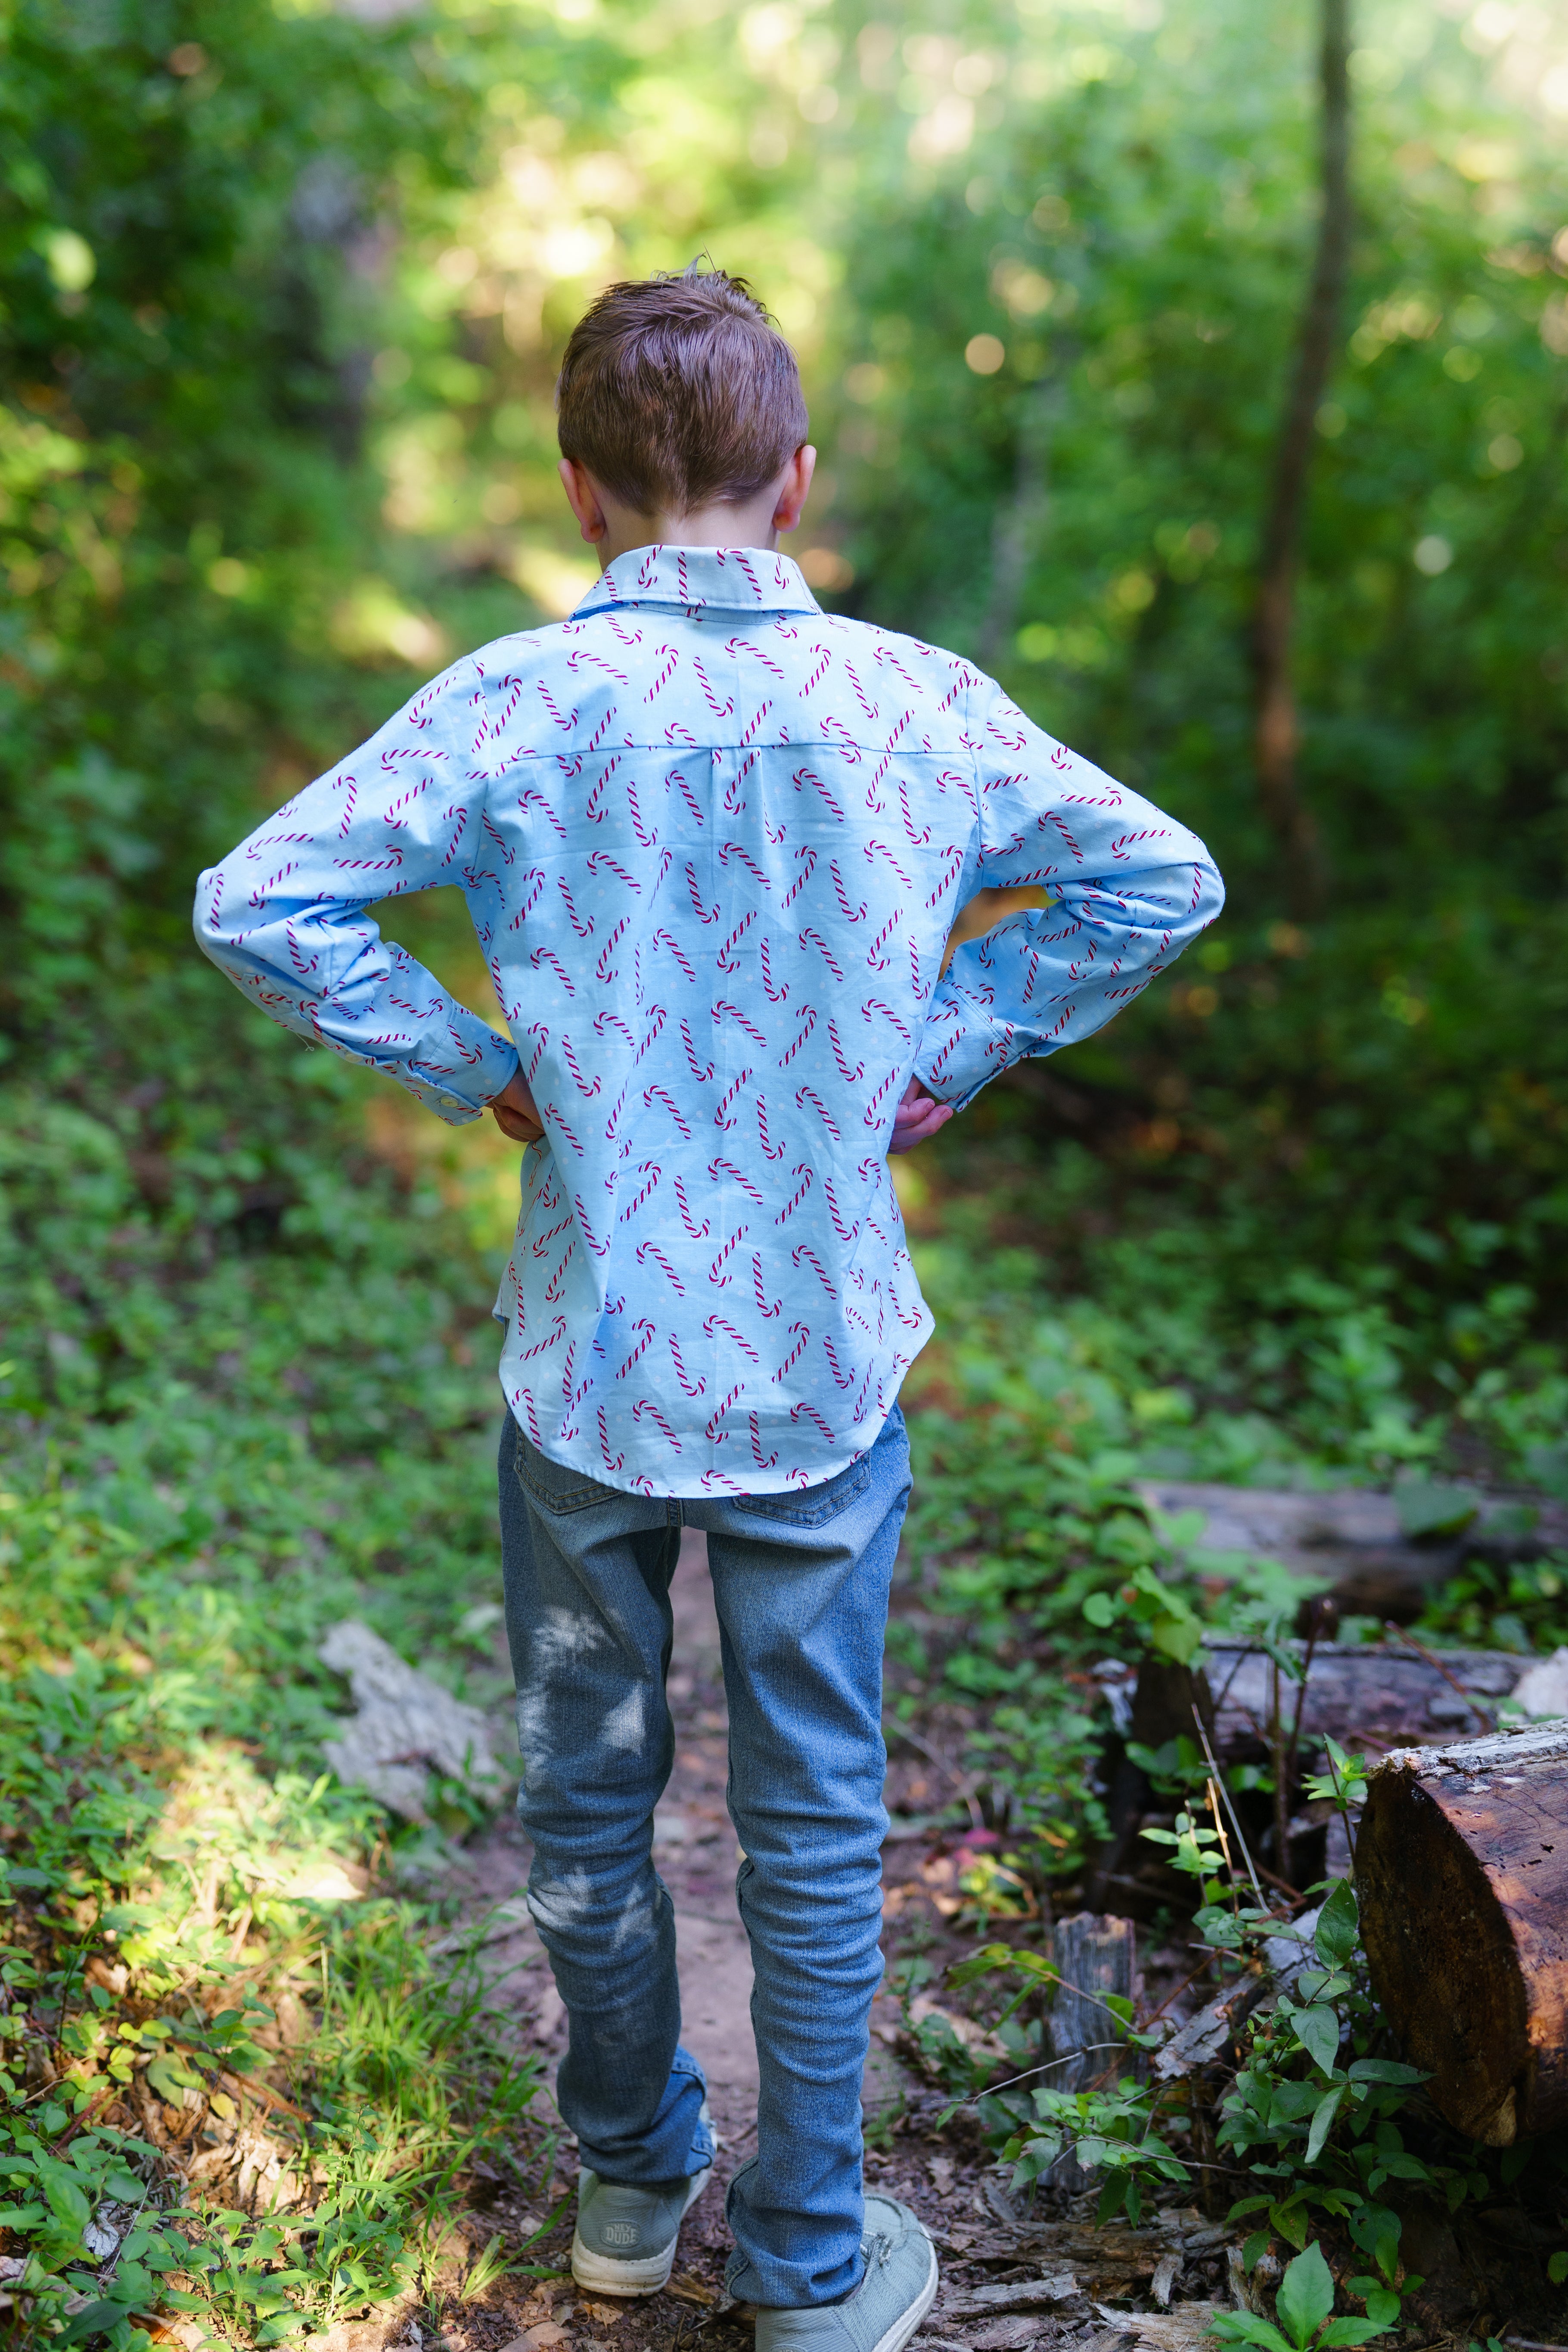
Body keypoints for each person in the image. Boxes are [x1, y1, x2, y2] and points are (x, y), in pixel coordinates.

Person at [194, 261, 1223, 2352]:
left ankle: (627, 2181)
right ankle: (807, 2258)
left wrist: (474, 1063)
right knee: (814, 1820)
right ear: (798, 480)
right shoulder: (917, 702)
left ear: (580, 491)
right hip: (820, 1362)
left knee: (587, 1794)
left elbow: (258, 898)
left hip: (588, 1360)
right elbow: (1160, 877)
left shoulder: (513, 700)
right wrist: (954, 1042)